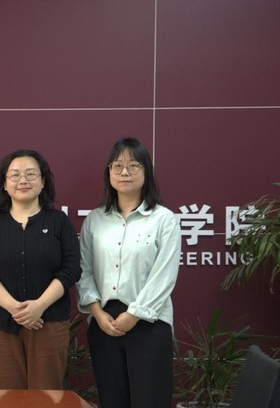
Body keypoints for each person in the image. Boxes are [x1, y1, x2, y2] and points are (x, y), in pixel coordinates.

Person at [76, 137, 181, 407]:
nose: (125, 172)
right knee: (112, 401)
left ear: (146, 172)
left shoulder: (164, 219)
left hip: (149, 323)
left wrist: (134, 314)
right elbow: (84, 270)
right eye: (117, 166)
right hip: (104, 324)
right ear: (109, 172)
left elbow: (164, 276)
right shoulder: (94, 220)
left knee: (150, 401)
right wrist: (97, 313)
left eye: (134, 165)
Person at [0, 150, 81, 389]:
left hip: (48, 321)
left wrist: (39, 305)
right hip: (0, 323)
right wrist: (14, 308)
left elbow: (71, 268)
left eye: (31, 174)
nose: (23, 180)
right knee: (5, 397)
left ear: (42, 182)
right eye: (15, 175)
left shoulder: (59, 221)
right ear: (5, 184)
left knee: (47, 397)